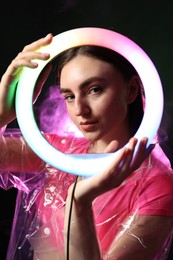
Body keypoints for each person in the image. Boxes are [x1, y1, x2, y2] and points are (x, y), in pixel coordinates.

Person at [0, 31, 173, 260]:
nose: (80, 110)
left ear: (131, 90)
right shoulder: (57, 152)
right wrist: (2, 112)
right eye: (69, 96)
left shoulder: (157, 185)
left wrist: (79, 203)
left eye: (94, 90)